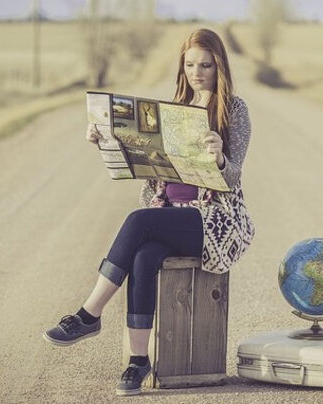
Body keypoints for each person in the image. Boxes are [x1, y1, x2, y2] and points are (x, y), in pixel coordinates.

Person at [43, 28, 254, 396]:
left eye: (206, 65)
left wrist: (220, 156)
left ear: (219, 66)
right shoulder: (173, 108)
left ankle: (88, 314)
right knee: (143, 256)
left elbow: (234, 175)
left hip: (214, 221)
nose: (197, 72)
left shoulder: (234, 110)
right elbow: (141, 154)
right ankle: (138, 362)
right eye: (190, 64)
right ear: (182, 67)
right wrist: (104, 138)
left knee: (137, 221)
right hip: (170, 211)